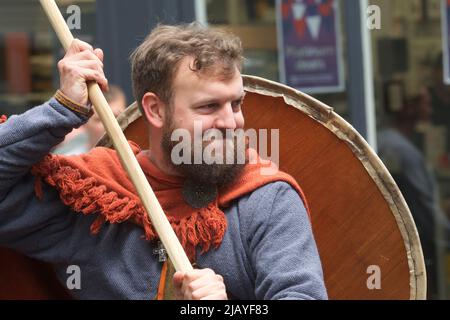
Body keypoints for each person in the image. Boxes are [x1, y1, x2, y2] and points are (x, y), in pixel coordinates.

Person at [0, 23, 327, 300]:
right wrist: (61, 111)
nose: (231, 123)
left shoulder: (268, 200)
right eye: (209, 107)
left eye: (236, 104)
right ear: (155, 110)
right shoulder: (95, 197)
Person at [378, 89, 446, 299]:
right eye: (425, 103)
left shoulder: (386, 139)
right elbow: (427, 211)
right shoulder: (404, 152)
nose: (430, 109)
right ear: (408, 107)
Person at [52, 85, 127, 155]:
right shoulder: (69, 163)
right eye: (100, 120)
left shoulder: (137, 157)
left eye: (117, 117)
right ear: (84, 123)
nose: (111, 125)